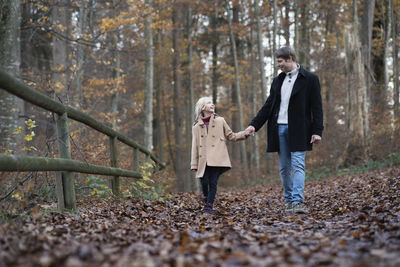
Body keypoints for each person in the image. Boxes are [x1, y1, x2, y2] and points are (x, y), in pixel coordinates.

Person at [245, 46, 323, 214]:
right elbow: (268, 107)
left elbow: (317, 108)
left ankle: (297, 202)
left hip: (300, 130)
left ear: (289, 58)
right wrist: (254, 125)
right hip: (278, 129)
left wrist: (317, 131)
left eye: (280, 61)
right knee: (284, 168)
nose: (278, 65)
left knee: (298, 165)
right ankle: (289, 201)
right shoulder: (277, 81)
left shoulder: (310, 79)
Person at [191, 96, 248, 214]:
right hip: (203, 160)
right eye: (209, 103)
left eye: (213, 103)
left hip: (217, 158)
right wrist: (194, 164)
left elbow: (231, 136)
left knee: (212, 182)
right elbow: (194, 146)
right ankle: (207, 199)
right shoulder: (196, 126)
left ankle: (209, 207)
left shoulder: (220, 120)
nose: (213, 104)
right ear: (203, 107)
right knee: (204, 182)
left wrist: (245, 133)